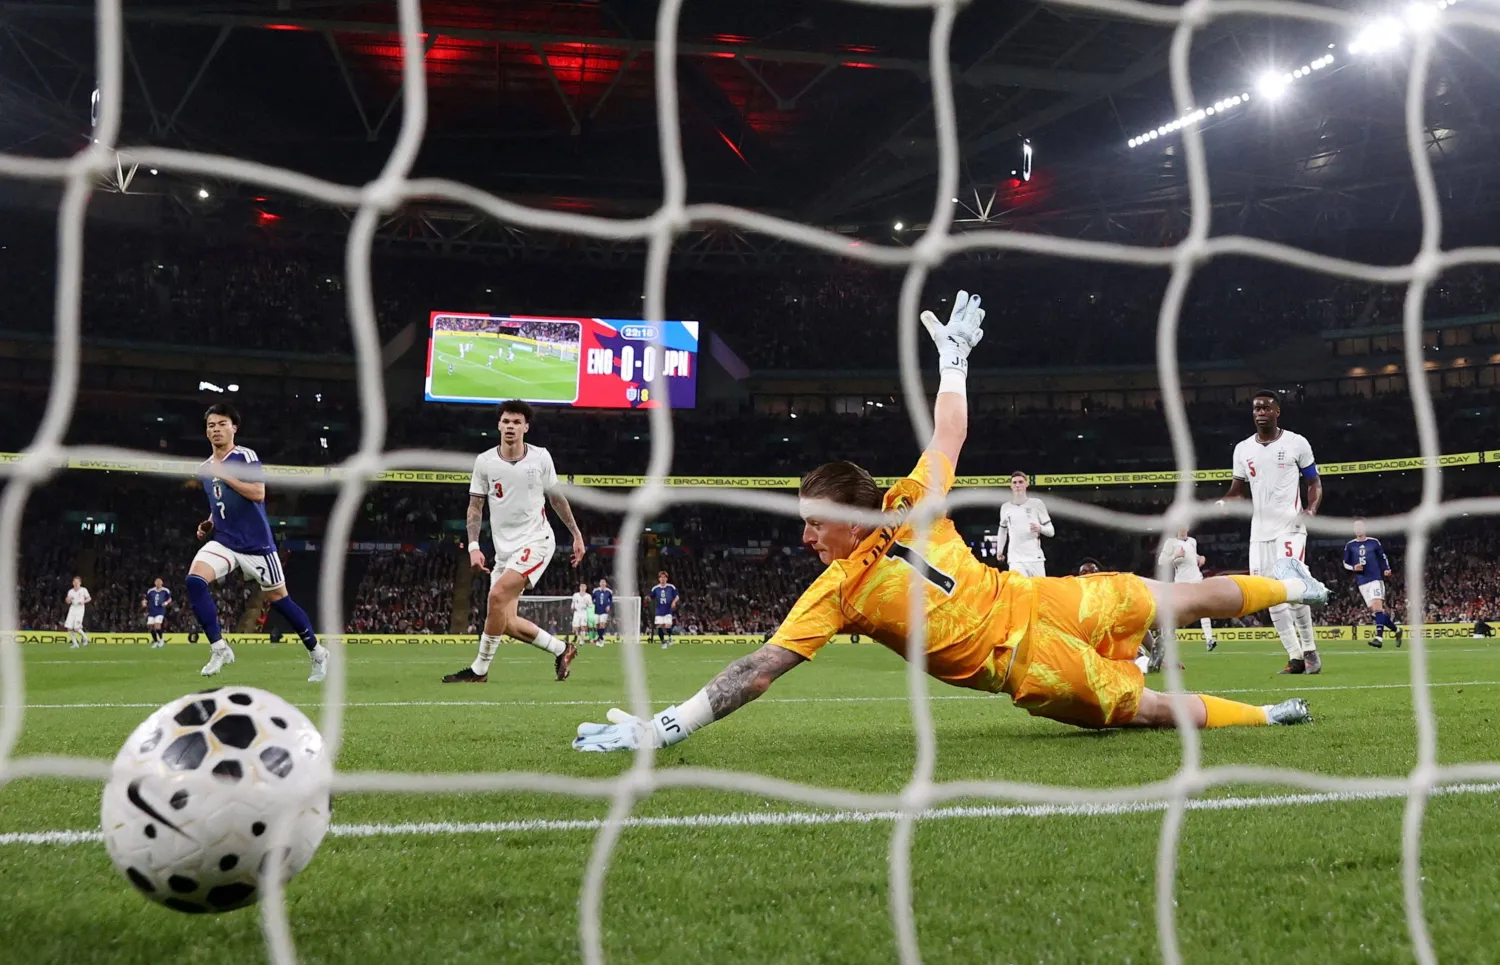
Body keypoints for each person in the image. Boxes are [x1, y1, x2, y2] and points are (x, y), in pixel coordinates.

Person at [573, 291, 1317, 754]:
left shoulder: (881, 535)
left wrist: (955, 362)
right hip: (1026, 652)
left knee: (1174, 606)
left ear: (842, 512)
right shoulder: (857, 562)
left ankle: (1289, 589)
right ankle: (1266, 713)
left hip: (1036, 615)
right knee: (1147, 703)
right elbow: (757, 669)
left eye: (810, 523)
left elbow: (949, 432)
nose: (804, 538)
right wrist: (666, 724)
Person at [443, 399, 586, 684]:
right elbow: (475, 507)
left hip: (537, 540)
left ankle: (479, 671)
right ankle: (562, 649)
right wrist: (473, 546)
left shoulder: (540, 457)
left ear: (526, 428)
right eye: (506, 421)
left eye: (516, 422)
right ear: (499, 425)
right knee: (503, 620)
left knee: (496, 597)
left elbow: (556, 498)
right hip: (503, 551)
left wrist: (576, 534)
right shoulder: (485, 462)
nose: (510, 426)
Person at [191, 404, 329, 681]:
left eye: (221, 424)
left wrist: (227, 475)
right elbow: (219, 503)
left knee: (280, 601)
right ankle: (219, 648)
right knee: (194, 581)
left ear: (234, 428)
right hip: (225, 541)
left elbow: (257, 493)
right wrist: (210, 522)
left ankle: (317, 652)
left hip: (256, 546)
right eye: (211, 425)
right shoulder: (206, 468)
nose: (216, 429)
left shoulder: (245, 457)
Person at [1220, 390, 1323, 675]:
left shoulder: (1296, 442)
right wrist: (1223, 502)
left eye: (1266, 407)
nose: (1260, 412)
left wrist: (1311, 510)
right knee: (1268, 594)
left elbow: (1314, 482)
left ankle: (1310, 649)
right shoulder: (1243, 449)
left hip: (1290, 526)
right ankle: (1295, 657)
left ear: (1277, 411)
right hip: (1259, 531)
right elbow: (1236, 490)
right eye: (1256, 408)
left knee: (1291, 587)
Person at [1345, 518, 1401, 648]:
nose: (1358, 529)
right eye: (1356, 527)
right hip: (1362, 582)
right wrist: (1353, 567)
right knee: (1377, 612)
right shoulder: (1350, 545)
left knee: (1377, 608)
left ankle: (1379, 638)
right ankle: (1397, 630)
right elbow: (1345, 563)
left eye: (1360, 526)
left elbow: (1382, 557)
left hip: (1375, 578)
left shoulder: (1374, 542)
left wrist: (1386, 568)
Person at [1159, 528, 1217, 651]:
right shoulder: (1171, 542)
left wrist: (1200, 558)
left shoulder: (1192, 541)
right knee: (1176, 609)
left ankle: (1209, 639)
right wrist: (1175, 555)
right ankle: (1166, 637)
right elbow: (1161, 561)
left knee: (1203, 608)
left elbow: (1193, 556)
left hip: (1196, 579)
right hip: (1181, 582)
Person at [996, 471, 1051, 576]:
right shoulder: (1005, 507)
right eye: (1014, 482)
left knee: (1039, 591)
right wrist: (999, 550)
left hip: (1035, 558)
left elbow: (1051, 531)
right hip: (1015, 560)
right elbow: (1003, 529)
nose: (1017, 485)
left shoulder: (1037, 504)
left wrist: (1040, 528)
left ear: (1026, 484)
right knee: (1019, 590)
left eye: (1020, 482)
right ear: (1011, 486)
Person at [649, 570, 680, 649]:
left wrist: (673, 602)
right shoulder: (655, 588)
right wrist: (648, 598)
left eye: (664, 577)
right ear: (659, 579)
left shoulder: (671, 587)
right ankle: (663, 642)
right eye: (661, 577)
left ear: (667, 578)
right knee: (659, 626)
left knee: (667, 626)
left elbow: (677, 596)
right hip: (659, 610)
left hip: (668, 610)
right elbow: (650, 596)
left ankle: (670, 637)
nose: (662, 579)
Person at [142, 577, 172, 649]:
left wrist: (166, 603)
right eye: (157, 582)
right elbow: (145, 599)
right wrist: (144, 603)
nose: (158, 583)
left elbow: (170, 599)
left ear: (162, 583)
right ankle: (155, 642)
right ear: (155, 583)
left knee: (157, 625)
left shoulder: (165, 590)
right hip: (152, 610)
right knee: (151, 627)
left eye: (159, 582)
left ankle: (161, 640)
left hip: (160, 610)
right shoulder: (151, 591)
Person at [63, 576, 91, 648]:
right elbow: (68, 602)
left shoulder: (83, 590)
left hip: (80, 609)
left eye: (77, 582)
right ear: (72, 583)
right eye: (74, 582)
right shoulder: (70, 591)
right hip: (72, 608)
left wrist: (83, 601)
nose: (76, 583)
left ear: (80, 583)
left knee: (76, 628)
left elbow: (89, 598)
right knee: (69, 628)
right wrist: (67, 599)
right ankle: (75, 643)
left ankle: (85, 637)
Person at [591, 578, 614, 646]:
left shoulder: (609, 591)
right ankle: (600, 637)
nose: (603, 583)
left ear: (606, 584)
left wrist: (609, 606)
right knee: (597, 625)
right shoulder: (595, 591)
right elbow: (592, 599)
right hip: (596, 610)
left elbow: (611, 600)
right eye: (602, 582)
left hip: (604, 610)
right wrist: (592, 603)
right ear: (600, 583)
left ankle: (600, 639)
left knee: (602, 625)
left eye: (604, 582)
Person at [570, 582, 592, 648]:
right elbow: (573, 603)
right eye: (581, 587)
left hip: (584, 612)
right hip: (577, 612)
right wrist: (572, 607)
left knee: (583, 627)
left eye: (584, 587)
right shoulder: (575, 595)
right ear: (579, 588)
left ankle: (582, 640)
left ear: (586, 588)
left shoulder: (588, 596)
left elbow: (590, 605)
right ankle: (578, 637)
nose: (582, 588)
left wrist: (588, 604)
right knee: (575, 628)